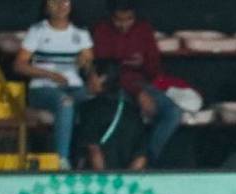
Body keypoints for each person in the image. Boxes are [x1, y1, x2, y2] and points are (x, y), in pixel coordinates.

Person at [14, 0, 99, 168]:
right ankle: (61, 160)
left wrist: (87, 68)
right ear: (46, 6)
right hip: (43, 87)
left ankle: (90, 158)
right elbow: (19, 65)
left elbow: (89, 65)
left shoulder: (81, 32)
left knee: (97, 104)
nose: (61, 5)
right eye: (55, 2)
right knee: (65, 102)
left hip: (74, 86)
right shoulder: (38, 30)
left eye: (65, 1)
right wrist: (50, 75)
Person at [92, 0, 180, 162]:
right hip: (112, 86)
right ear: (111, 17)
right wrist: (138, 93)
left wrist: (143, 64)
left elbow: (155, 69)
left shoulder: (143, 29)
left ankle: (147, 160)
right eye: (119, 20)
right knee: (128, 114)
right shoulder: (102, 30)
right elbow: (107, 69)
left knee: (172, 113)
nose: (124, 25)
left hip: (141, 84)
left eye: (129, 19)